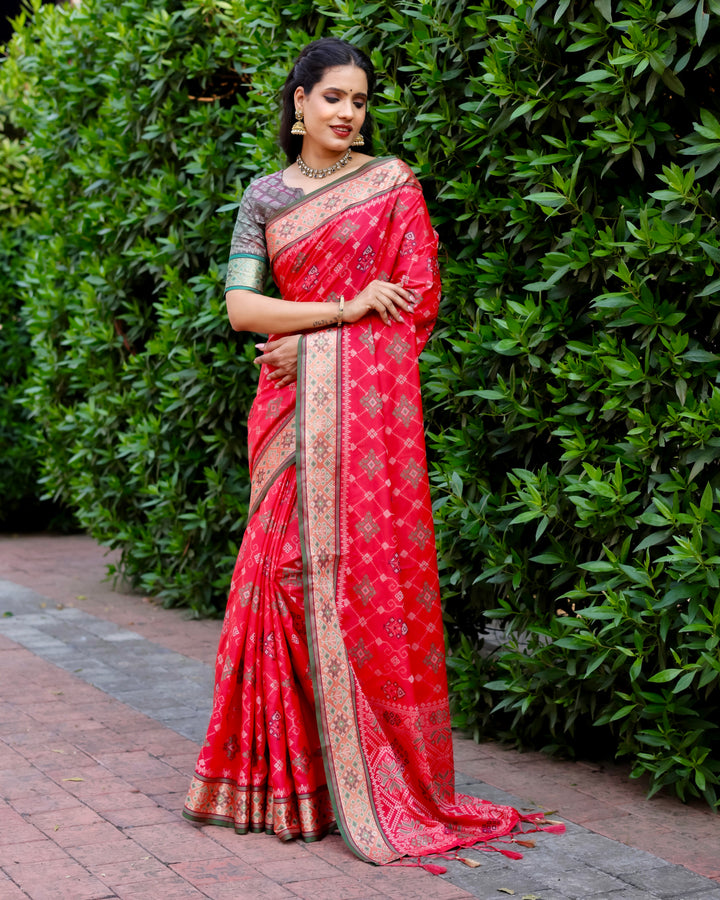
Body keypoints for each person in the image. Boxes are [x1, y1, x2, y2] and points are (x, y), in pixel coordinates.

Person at [183, 37, 557, 867]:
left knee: (341, 584)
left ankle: (356, 780)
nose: (348, 113)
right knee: (274, 582)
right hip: (283, 417)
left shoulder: (394, 186)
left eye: (359, 100)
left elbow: (412, 309)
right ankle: (280, 784)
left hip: (349, 418)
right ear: (298, 104)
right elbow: (244, 311)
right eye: (332, 98)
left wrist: (317, 342)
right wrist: (338, 313)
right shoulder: (262, 198)